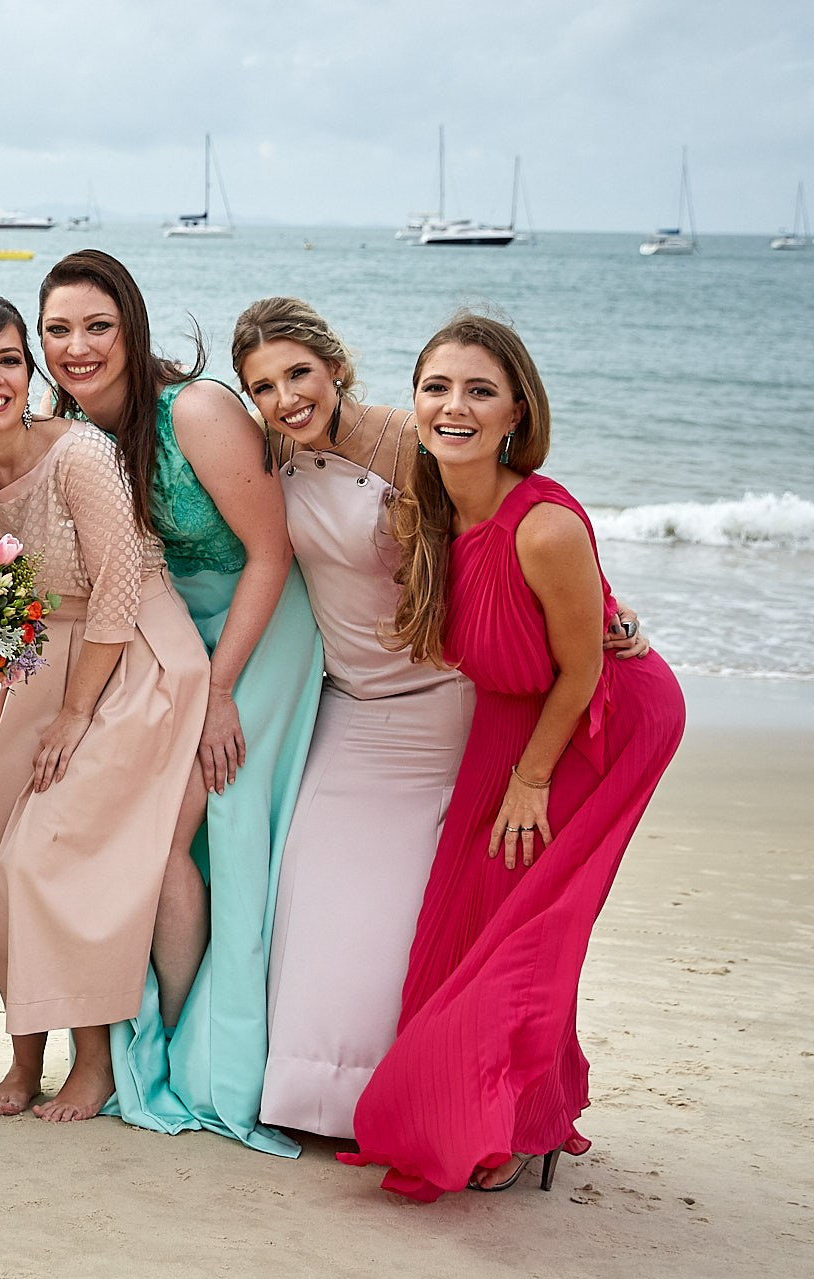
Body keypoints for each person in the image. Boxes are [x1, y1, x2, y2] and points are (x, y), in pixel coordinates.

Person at [232, 297, 649, 1141]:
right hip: (349, 707)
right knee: (313, 897)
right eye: (264, 386)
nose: (286, 397)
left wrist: (607, 607)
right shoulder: (272, 453)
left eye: (299, 374)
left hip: (439, 709)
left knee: (404, 917)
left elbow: (508, 529)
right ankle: (314, 1099)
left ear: (336, 366)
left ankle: (401, 1097)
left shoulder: (408, 442)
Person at [340, 313, 684, 1201]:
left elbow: (584, 668)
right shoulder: (432, 501)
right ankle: (495, 1106)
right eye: (437, 387)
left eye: (480, 390)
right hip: (508, 713)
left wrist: (531, 778)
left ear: (517, 412)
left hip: (599, 719)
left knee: (526, 923)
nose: (455, 406)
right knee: (467, 914)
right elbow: (320, 419)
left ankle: (521, 1123)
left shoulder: (543, 528)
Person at [36, 250, 321, 1157]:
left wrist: (223, 688)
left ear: (132, 326)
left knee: (189, 831)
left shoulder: (193, 409)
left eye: (96, 326)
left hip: (256, 629)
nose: (76, 348)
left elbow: (272, 552)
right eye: (57, 330)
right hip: (165, 636)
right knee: (144, 833)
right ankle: (155, 1036)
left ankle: (190, 1047)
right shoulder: (69, 429)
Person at [0, 295, 208, 1122]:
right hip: (39, 661)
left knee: (44, 856)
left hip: (132, 656)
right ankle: (25, 1055)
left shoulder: (82, 454)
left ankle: (91, 1057)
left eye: (10, 361)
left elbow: (120, 589)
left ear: (30, 372)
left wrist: (74, 715)